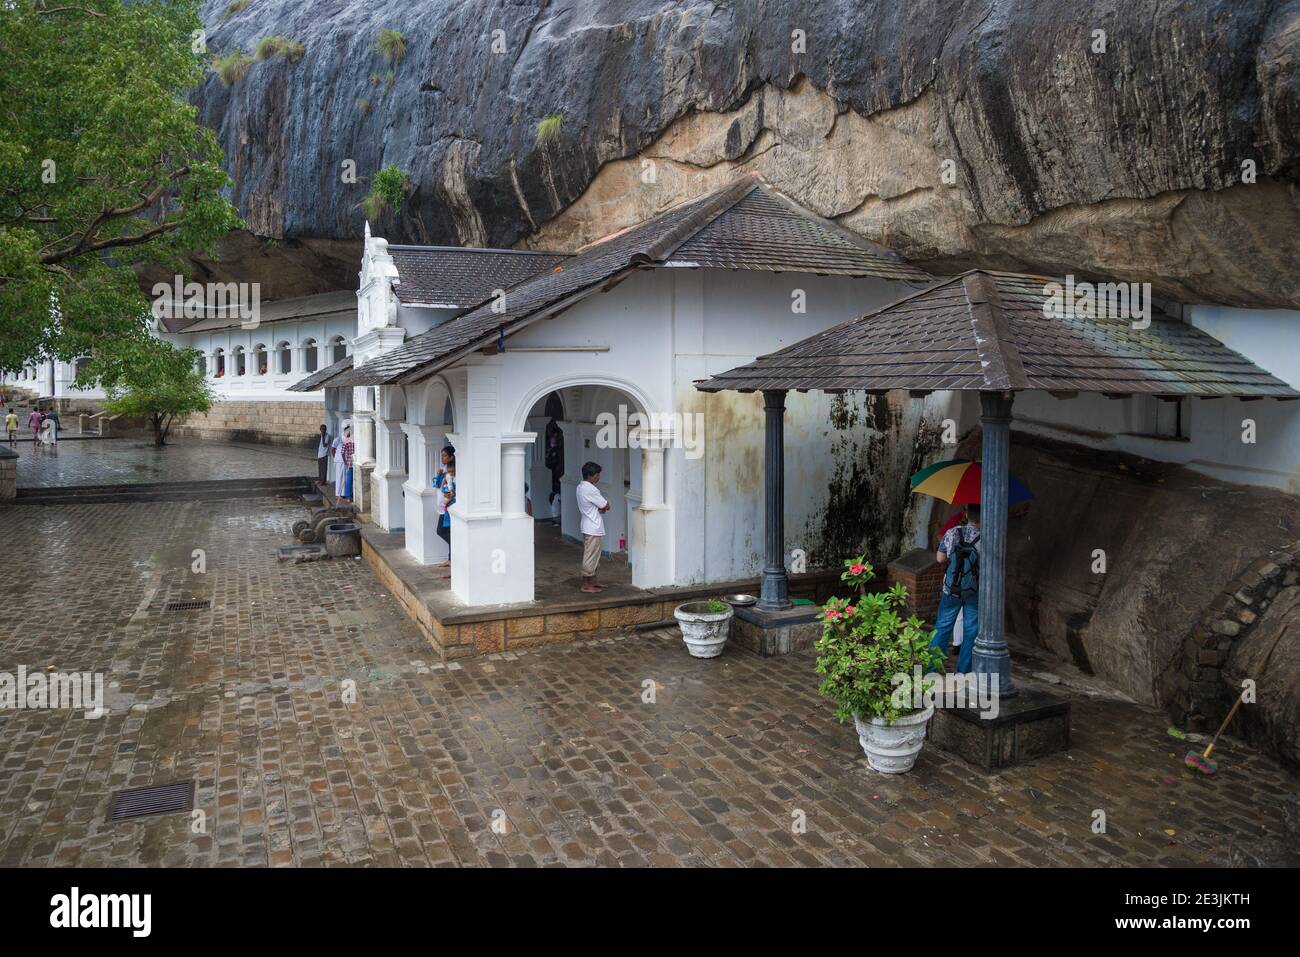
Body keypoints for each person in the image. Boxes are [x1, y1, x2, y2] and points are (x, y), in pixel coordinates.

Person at [930, 504, 981, 674]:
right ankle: (964, 671)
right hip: (974, 590)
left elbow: (940, 559)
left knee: (943, 626)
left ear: (966, 514)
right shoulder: (986, 537)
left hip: (951, 588)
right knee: (971, 629)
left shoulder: (952, 532)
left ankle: (932, 669)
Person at [576, 461, 611, 593]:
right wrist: (604, 507)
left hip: (588, 524)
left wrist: (600, 508)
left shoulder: (580, 487)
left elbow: (597, 506)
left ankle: (593, 581)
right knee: (590, 556)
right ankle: (586, 584)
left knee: (594, 555)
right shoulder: (590, 489)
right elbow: (605, 505)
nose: (598, 477)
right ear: (590, 475)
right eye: (597, 475)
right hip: (593, 527)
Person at [433, 453, 456, 571]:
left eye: (445, 456)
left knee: (442, 531)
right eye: (441, 455)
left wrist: (445, 504)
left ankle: (455, 555)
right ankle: (451, 558)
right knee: (446, 531)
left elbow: (451, 492)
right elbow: (437, 486)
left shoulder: (451, 474)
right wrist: (439, 475)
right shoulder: (444, 472)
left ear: (451, 457)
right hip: (443, 506)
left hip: (447, 507)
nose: (442, 458)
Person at [334, 424, 354, 503]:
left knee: (347, 479)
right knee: (346, 479)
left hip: (351, 462)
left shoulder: (351, 440)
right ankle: (346, 496)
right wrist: (346, 461)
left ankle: (347, 494)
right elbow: (341, 452)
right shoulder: (342, 440)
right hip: (346, 462)